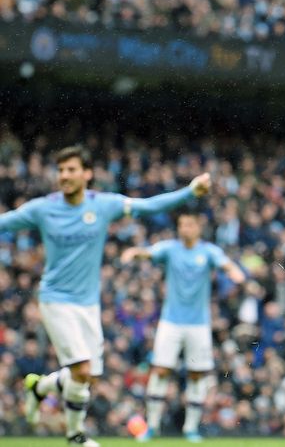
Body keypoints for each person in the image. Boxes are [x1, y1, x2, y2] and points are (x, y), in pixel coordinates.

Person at [0, 145, 210, 446]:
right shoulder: (43, 208)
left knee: (86, 376)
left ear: (87, 174)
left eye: (71, 169)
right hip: (56, 298)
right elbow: (4, 222)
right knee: (82, 370)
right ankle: (76, 436)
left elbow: (148, 206)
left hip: (89, 304)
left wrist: (189, 191)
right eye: (60, 170)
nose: (64, 176)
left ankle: (40, 388)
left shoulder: (103, 204)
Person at [120, 211, 247, 442]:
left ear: (198, 227)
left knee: (197, 375)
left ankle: (190, 428)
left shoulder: (208, 251)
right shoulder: (170, 248)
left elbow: (225, 264)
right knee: (160, 370)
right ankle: (153, 425)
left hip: (198, 323)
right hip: (171, 321)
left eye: (189, 224)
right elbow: (148, 253)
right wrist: (133, 253)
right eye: (182, 225)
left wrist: (235, 272)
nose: (185, 229)